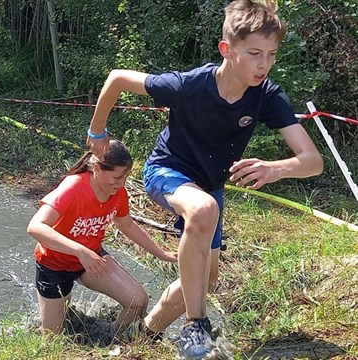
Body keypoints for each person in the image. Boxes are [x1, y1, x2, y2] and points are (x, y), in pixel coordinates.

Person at [85, 0, 324, 358]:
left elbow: (313, 161)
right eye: (255, 53)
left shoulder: (267, 96)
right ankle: (196, 326)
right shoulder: (190, 85)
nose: (264, 64)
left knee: (204, 278)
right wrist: (98, 130)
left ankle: (143, 332)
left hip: (209, 186)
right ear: (227, 50)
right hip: (166, 172)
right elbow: (117, 78)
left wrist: (277, 168)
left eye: (272, 54)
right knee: (204, 208)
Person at [27, 139, 178, 336]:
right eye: (116, 178)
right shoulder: (73, 188)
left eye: (125, 177)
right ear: (97, 168)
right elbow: (35, 227)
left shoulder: (118, 193)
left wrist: (161, 253)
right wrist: (80, 251)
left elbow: (127, 225)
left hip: (92, 259)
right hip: (55, 264)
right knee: (52, 335)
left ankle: (114, 340)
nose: (121, 184)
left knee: (137, 301)